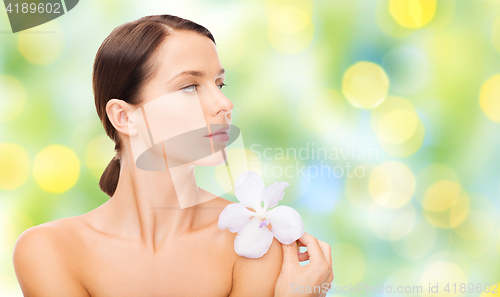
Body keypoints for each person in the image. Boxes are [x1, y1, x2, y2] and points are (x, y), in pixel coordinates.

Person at [13, 14, 333, 296]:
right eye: (190, 86)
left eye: (220, 83)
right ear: (124, 117)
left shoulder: (254, 238)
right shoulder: (49, 250)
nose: (224, 104)